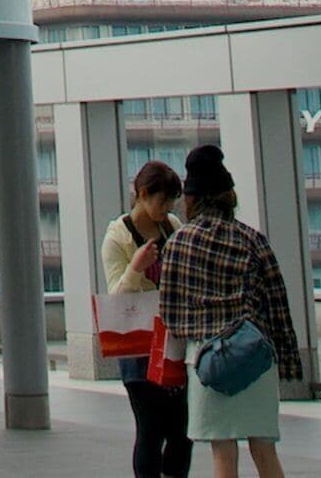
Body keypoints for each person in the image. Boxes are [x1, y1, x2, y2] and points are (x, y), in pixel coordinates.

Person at [155, 144, 299, 478]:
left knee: (223, 452)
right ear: (228, 195)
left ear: (191, 199)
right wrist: (289, 361)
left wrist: (173, 364)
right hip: (254, 357)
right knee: (265, 450)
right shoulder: (252, 239)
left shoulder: (179, 243)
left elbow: (171, 314)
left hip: (208, 363)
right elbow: (277, 304)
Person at [102, 161, 191, 478]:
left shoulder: (173, 226)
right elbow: (116, 296)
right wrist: (136, 267)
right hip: (139, 346)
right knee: (150, 429)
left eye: (172, 201)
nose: (167, 208)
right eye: (162, 200)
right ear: (142, 194)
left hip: (173, 341)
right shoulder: (118, 238)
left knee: (182, 431)